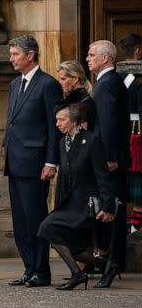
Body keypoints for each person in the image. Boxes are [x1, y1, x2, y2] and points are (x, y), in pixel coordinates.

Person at [4, 35, 62, 287]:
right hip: (15, 161)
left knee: (35, 217)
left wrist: (51, 162)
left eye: (15, 54)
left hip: (35, 162)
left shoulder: (48, 84)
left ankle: (42, 269)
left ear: (30, 55)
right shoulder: (15, 84)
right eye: (11, 54)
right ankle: (29, 267)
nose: (11, 58)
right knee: (20, 221)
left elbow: (53, 127)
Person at [38, 102, 115, 290]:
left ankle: (82, 273)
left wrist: (108, 206)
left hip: (87, 205)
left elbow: (102, 176)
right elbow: (64, 179)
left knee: (48, 229)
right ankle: (103, 266)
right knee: (51, 232)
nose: (57, 124)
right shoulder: (61, 143)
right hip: (70, 204)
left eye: (61, 120)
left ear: (74, 121)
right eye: (57, 120)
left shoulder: (91, 141)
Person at [86, 40, 130, 287]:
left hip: (110, 159)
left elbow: (109, 125)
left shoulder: (106, 84)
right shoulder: (109, 82)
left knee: (112, 211)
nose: (88, 58)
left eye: (92, 55)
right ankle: (112, 261)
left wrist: (110, 157)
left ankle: (112, 262)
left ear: (105, 58)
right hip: (111, 156)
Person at [118, 33, 142, 233]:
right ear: (138, 51)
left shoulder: (115, 77)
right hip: (137, 136)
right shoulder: (139, 78)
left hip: (122, 135)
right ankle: (136, 230)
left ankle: (134, 229)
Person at [56, 61, 96, 132]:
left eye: (63, 79)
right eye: (59, 79)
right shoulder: (74, 99)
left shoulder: (83, 102)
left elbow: (82, 135)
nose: (60, 83)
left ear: (75, 79)